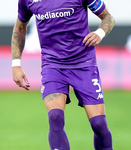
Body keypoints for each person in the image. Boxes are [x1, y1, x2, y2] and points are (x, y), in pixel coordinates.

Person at [11, 0, 115, 149]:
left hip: (84, 63)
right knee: (55, 117)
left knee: (98, 124)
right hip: (53, 66)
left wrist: (99, 33)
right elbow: (20, 28)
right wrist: (16, 64)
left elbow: (108, 18)